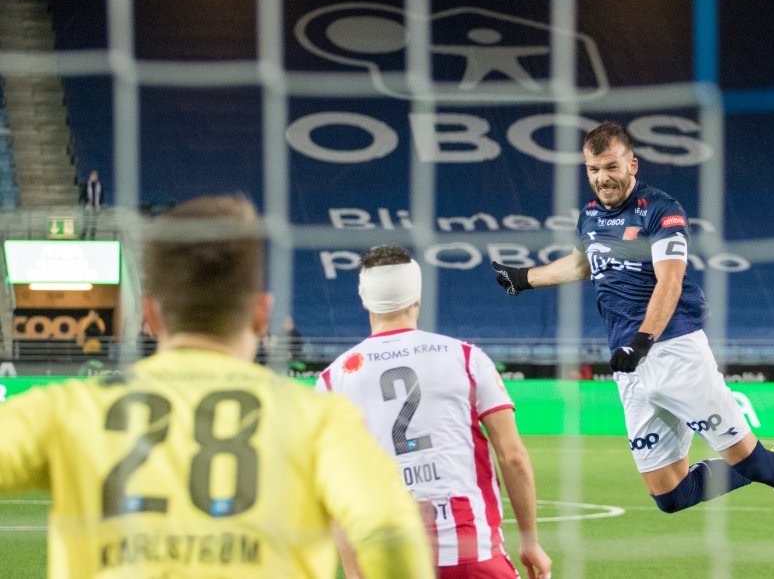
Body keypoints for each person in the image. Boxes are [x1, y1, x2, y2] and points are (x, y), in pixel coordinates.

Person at [490, 121, 774, 570]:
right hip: (630, 364)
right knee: (669, 495)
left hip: (674, 352)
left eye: (610, 166)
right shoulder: (590, 215)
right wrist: (525, 279)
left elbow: (668, 282)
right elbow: (583, 263)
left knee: (748, 460)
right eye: (592, 169)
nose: (601, 177)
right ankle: (769, 460)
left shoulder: (661, 211)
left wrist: (642, 340)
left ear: (631, 163)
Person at [0, 195, 432, 579]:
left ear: (149, 316)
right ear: (262, 315)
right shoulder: (319, 420)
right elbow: (390, 534)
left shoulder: (69, 410)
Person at [319, 246, 552, 579]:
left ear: (365, 298)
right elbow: (512, 455)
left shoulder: (333, 379)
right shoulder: (466, 358)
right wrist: (530, 541)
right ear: (417, 297)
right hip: (470, 551)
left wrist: (355, 572)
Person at [80, 169, 103, 239]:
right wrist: (87, 201)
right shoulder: (86, 184)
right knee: (86, 222)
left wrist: (100, 204)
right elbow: (82, 195)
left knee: (94, 224)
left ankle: (92, 237)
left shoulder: (100, 185)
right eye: (93, 176)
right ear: (90, 176)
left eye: (95, 176)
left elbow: (101, 196)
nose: (94, 177)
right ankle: (83, 237)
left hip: (96, 207)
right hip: (88, 207)